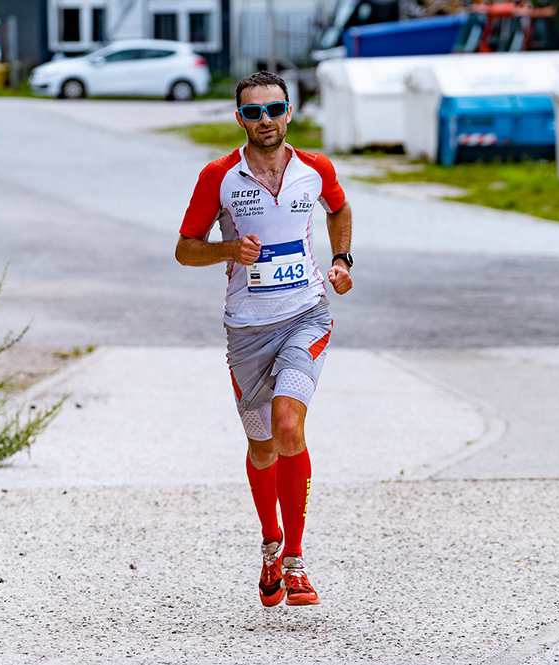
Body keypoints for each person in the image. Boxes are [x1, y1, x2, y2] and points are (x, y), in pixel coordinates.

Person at [175, 71, 354, 607]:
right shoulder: (218, 176)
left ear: (289, 112)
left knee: (287, 425)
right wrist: (228, 252)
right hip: (247, 329)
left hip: (306, 314)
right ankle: (270, 544)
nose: (265, 121)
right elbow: (186, 248)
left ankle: (296, 562)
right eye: (252, 113)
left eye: (273, 109)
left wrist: (341, 260)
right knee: (261, 446)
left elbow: (339, 209)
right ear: (240, 119)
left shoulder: (314, 169)